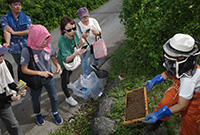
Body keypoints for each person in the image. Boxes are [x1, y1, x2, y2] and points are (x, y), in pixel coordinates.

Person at [142, 33, 200, 135]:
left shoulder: (189, 79)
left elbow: (182, 105)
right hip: (178, 87)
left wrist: (157, 114)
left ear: (182, 58)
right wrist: (154, 81)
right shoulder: (177, 63)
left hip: (194, 98)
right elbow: (168, 72)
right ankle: (158, 121)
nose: (168, 58)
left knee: (189, 122)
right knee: (165, 102)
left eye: (171, 56)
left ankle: (159, 117)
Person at [20, 24, 63, 126]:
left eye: (46, 39)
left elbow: (53, 57)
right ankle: (38, 114)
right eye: (43, 40)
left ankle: (55, 112)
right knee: (36, 99)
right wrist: (40, 73)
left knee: (54, 97)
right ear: (35, 38)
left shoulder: (48, 46)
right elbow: (24, 69)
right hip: (35, 80)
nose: (45, 42)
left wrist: (58, 66)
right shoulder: (27, 51)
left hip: (48, 78)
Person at [57, 16, 86, 106]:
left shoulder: (74, 34)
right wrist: (76, 54)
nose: (72, 31)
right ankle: (68, 97)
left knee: (70, 72)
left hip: (72, 58)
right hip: (64, 62)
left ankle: (69, 83)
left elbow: (76, 45)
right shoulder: (62, 41)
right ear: (64, 30)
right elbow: (66, 59)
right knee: (64, 77)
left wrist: (80, 43)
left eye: (74, 28)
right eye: (69, 30)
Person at [0, 44, 26, 135]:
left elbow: (10, 82)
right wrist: (9, 98)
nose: (1, 58)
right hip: (3, 99)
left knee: (14, 124)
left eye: (2, 54)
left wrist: (18, 88)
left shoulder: (6, 64)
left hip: (3, 104)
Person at [1, 0, 32, 66]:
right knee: (20, 66)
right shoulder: (5, 18)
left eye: (19, 5)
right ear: (10, 6)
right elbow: (6, 30)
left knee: (31, 65)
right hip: (15, 48)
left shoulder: (26, 18)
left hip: (27, 46)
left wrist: (15, 33)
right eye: (15, 5)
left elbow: (29, 31)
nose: (18, 7)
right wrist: (7, 43)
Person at [77, 7, 102, 77]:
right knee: (86, 61)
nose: (85, 19)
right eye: (83, 18)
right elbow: (78, 40)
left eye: (86, 16)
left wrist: (97, 33)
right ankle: (86, 76)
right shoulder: (78, 26)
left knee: (96, 56)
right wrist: (83, 37)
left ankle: (94, 64)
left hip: (95, 43)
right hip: (86, 46)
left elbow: (100, 31)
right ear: (80, 18)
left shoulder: (93, 21)